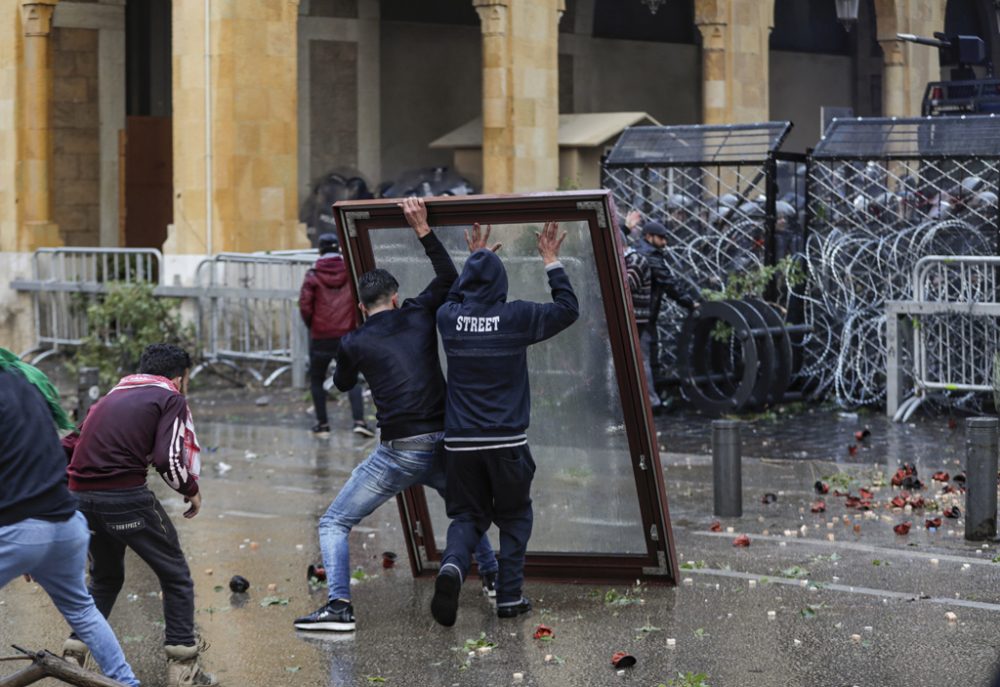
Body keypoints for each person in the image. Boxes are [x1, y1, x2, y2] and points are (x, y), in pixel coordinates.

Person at [294, 197, 499, 633]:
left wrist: (356, 356)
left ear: (363, 307)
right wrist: (422, 229)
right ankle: (497, 580)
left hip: (399, 451)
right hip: (444, 440)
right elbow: (448, 276)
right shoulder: (419, 313)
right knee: (464, 511)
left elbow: (343, 385)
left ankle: (339, 608)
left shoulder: (354, 341)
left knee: (334, 521)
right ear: (396, 297)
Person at [430, 221, 579, 627]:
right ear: (501, 281)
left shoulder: (448, 319)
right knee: (514, 517)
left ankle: (453, 569)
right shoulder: (516, 317)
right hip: (507, 442)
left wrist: (474, 263)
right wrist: (550, 261)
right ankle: (509, 598)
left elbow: (461, 296)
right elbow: (568, 309)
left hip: (460, 445)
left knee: (467, 518)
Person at [62, 344, 216, 687]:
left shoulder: (109, 397)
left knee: (104, 578)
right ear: (179, 379)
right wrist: (190, 489)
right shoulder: (170, 398)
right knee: (175, 575)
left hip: (81, 500)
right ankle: (184, 673)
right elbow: (167, 458)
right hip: (125, 497)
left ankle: (74, 653)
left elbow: (70, 444)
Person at [0, 349, 140, 687]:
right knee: (83, 611)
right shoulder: (23, 381)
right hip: (65, 524)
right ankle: (127, 682)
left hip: (22, 529)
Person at [299, 232, 373, 437]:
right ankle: (359, 421)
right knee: (353, 379)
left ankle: (322, 425)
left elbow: (305, 306)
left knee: (316, 379)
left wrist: (313, 326)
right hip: (346, 335)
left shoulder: (312, 275)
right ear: (338, 250)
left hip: (321, 336)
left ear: (320, 251)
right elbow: (361, 302)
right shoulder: (350, 273)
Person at [635, 220, 697, 411]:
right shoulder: (650, 255)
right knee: (643, 359)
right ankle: (651, 403)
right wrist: (690, 302)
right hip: (643, 315)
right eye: (661, 238)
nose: (664, 242)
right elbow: (668, 283)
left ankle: (653, 399)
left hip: (645, 315)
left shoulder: (643, 252)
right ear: (648, 237)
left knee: (648, 357)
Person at [622, 229, 659, 412]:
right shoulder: (628, 260)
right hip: (630, 318)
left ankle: (650, 402)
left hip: (636, 319)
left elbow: (625, 285)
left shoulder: (636, 260)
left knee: (640, 361)